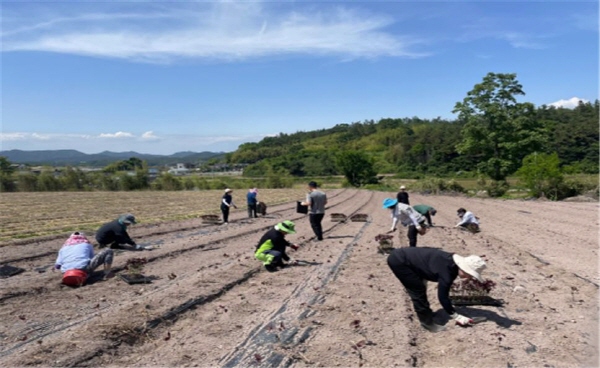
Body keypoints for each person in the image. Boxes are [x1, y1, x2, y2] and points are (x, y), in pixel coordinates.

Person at [387, 247, 487, 332]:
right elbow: (442, 297)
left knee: (420, 287)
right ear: (464, 268)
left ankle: (427, 313)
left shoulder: (451, 263)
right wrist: (456, 316)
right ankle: (427, 323)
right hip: (400, 261)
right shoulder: (447, 273)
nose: (470, 277)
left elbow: (427, 266)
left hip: (410, 259)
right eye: (470, 274)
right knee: (418, 291)